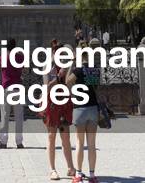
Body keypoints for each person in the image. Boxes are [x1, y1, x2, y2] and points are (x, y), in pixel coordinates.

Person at [67, 40, 101, 183]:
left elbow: (67, 81)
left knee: (80, 143)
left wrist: (72, 63)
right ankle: (92, 175)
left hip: (80, 108)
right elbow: (97, 86)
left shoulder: (78, 70)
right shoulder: (94, 69)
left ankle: (79, 174)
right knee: (92, 144)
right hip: (93, 107)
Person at [42, 42, 75, 180]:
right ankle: (52, 169)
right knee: (52, 136)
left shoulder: (67, 67)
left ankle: (70, 167)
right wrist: (57, 78)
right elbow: (46, 87)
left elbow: (70, 85)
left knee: (65, 136)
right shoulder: (48, 67)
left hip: (64, 104)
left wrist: (68, 71)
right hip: (51, 105)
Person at [0, 38, 25, 149]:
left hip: (6, 87)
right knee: (19, 116)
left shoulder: (3, 57)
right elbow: (24, 68)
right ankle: (19, 142)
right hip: (18, 87)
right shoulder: (19, 57)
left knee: (5, 115)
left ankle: (3, 142)